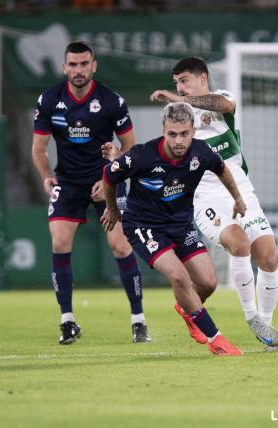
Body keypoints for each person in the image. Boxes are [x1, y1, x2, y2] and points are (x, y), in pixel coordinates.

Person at [148, 57, 278, 350]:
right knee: (239, 243)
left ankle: (266, 325)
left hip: (240, 189)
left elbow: (221, 105)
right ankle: (251, 317)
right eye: (176, 83)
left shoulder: (224, 99)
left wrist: (180, 99)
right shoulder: (177, 118)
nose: (179, 88)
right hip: (205, 195)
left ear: (203, 78)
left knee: (269, 257)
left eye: (184, 80)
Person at [101, 102, 248, 356]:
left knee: (208, 282)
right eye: (172, 134)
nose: (178, 140)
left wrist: (238, 199)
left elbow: (222, 169)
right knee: (179, 277)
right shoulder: (142, 155)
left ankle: (187, 308)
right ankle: (216, 339)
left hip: (180, 225)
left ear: (193, 131)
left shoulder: (201, 152)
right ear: (163, 131)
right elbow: (109, 175)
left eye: (184, 134)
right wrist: (113, 208)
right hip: (144, 226)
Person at [32, 41, 150, 345]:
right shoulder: (49, 100)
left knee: (120, 247)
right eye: (73, 64)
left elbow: (131, 148)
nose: (78, 70)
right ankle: (67, 322)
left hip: (106, 180)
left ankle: (138, 321)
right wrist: (46, 176)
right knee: (59, 242)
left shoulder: (112, 101)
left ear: (93, 66)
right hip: (67, 182)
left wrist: (110, 175)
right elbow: (39, 148)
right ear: (64, 67)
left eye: (84, 64)